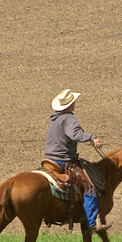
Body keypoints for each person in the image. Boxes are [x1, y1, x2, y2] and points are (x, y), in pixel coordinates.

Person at [44, 89, 108, 234]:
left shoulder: (54, 118)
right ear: (69, 104)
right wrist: (92, 137)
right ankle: (92, 223)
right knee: (89, 187)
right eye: (73, 101)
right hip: (63, 160)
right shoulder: (69, 118)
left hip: (49, 160)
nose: (74, 103)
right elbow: (75, 134)